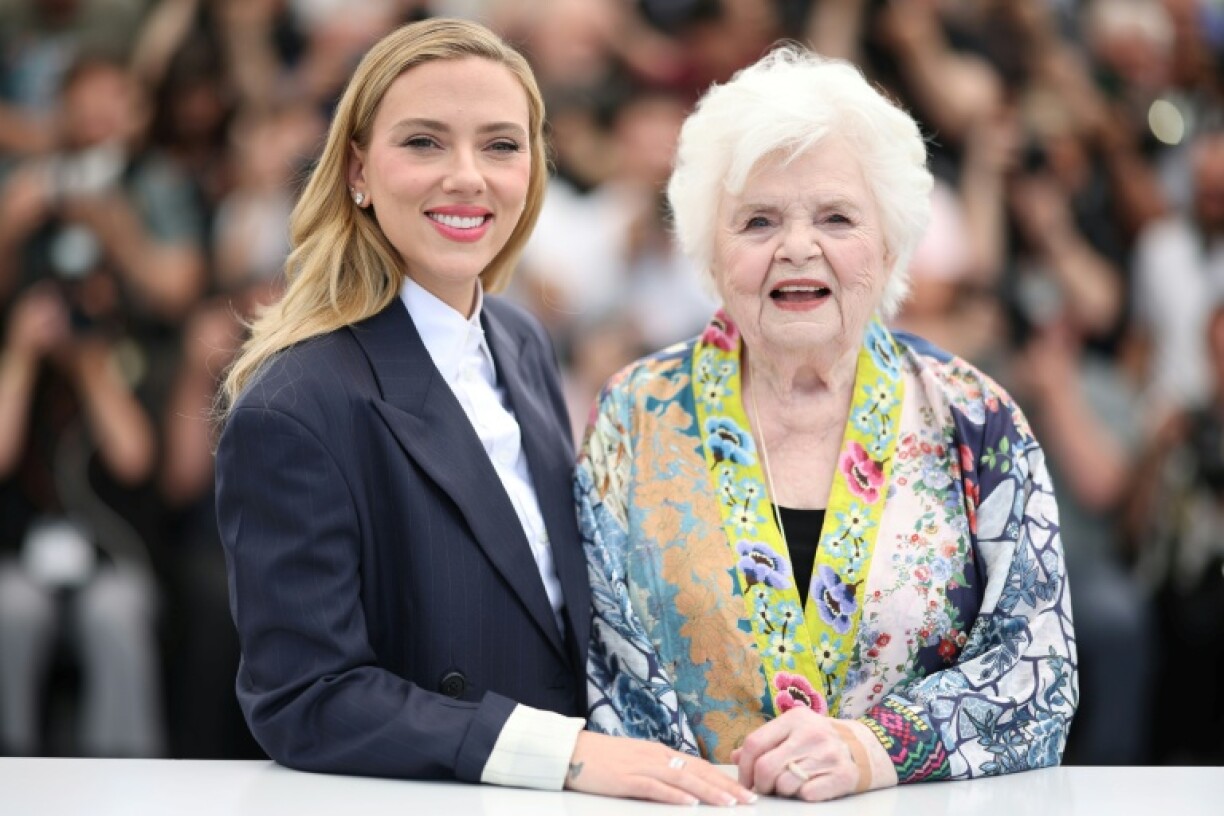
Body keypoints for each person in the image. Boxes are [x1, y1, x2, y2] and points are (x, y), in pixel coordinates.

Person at [213, 18, 754, 807]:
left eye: (501, 145)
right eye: (425, 142)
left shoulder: (519, 338)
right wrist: (561, 753)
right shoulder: (294, 405)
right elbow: (305, 698)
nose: (468, 176)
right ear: (358, 170)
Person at [578, 47, 1078, 802]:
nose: (798, 247)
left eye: (837, 217)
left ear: (889, 243)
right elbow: (600, 667)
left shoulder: (977, 418)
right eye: (758, 220)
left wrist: (871, 749)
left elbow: (1039, 671)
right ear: (712, 249)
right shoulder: (632, 416)